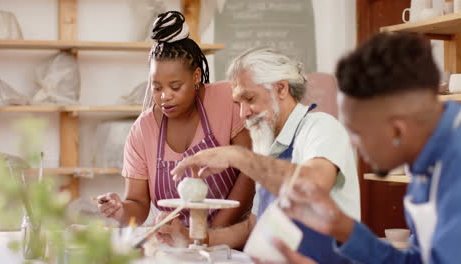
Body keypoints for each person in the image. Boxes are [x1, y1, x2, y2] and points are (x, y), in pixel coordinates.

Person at [280, 32, 461, 264]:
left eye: (357, 132)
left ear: (397, 131)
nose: (352, 143)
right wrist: (343, 228)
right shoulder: (424, 159)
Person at [169, 47, 360, 263]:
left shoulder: (321, 127)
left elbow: (313, 184)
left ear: (280, 89)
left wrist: (237, 156)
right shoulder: (269, 149)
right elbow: (254, 225)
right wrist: (198, 237)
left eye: (249, 99)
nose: (243, 114)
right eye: (238, 104)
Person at [96, 11, 255, 229]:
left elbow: (249, 170)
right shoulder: (143, 130)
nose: (165, 96)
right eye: (157, 87)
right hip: (173, 244)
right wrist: (120, 209)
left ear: (196, 76)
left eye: (175, 86)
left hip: (231, 243)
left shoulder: (227, 100)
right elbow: (138, 204)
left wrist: (214, 234)